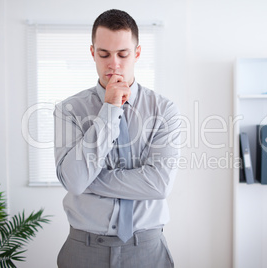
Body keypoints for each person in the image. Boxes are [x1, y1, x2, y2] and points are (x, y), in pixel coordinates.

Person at [54, 9, 181, 268]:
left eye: (123, 54)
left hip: (147, 248)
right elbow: (75, 181)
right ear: (92, 53)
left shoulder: (163, 110)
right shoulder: (69, 110)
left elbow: (158, 185)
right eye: (104, 54)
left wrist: (89, 179)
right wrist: (110, 110)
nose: (114, 63)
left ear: (137, 53)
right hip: (84, 249)